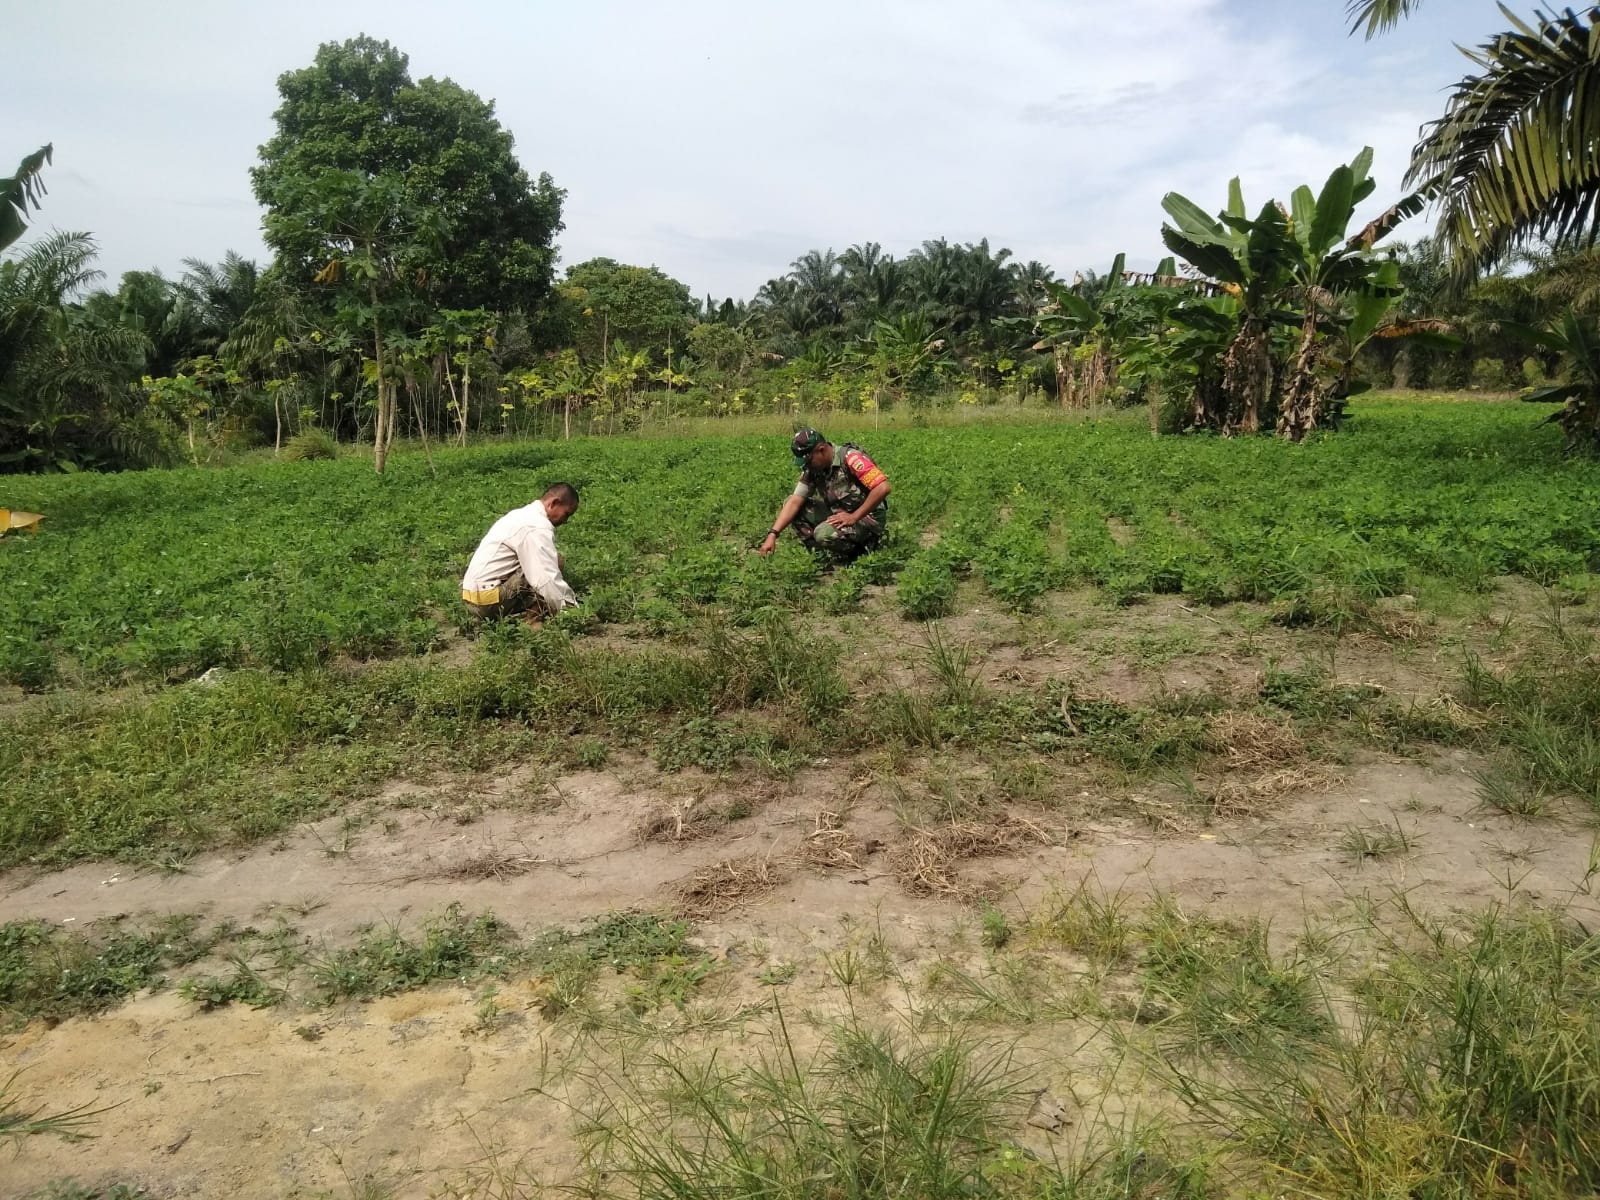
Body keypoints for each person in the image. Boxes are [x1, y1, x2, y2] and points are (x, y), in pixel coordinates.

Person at [757, 428, 889, 562]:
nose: (807, 466)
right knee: (791, 503)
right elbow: (795, 500)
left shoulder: (851, 458)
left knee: (823, 534)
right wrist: (773, 534)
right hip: (840, 514)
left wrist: (854, 517)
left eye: (809, 461)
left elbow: (882, 488)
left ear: (821, 450)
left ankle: (861, 550)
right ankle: (820, 558)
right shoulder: (814, 469)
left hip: (867, 519)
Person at [461, 482, 580, 621]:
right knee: (550, 564)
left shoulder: (521, 515)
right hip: (487, 602)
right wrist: (571, 611)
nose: (565, 521)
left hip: (472, 598)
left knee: (538, 562)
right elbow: (545, 576)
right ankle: (533, 620)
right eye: (566, 514)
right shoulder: (535, 526)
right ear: (553, 503)